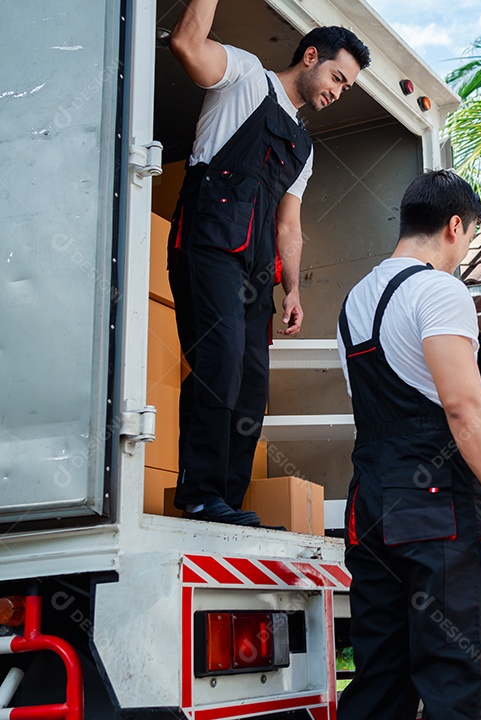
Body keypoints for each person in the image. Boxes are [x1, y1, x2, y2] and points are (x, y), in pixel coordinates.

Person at [335, 170, 481, 720]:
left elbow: (395, 397)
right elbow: (463, 408)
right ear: (455, 226)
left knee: (379, 677)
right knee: (456, 676)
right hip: (436, 510)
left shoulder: (355, 300)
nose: (465, 251)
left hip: (372, 506)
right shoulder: (439, 289)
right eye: (471, 236)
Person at [166, 0, 370, 525]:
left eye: (346, 87)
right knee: (222, 360)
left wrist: (294, 291)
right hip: (208, 243)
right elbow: (187, 44)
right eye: (336, 77)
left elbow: (288, 225)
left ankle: (225, 501)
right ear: (309, 56)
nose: (337, 90)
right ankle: (199, 492)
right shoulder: (244, 76)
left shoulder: (303, 145)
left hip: (256, 271)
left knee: (254, 384)